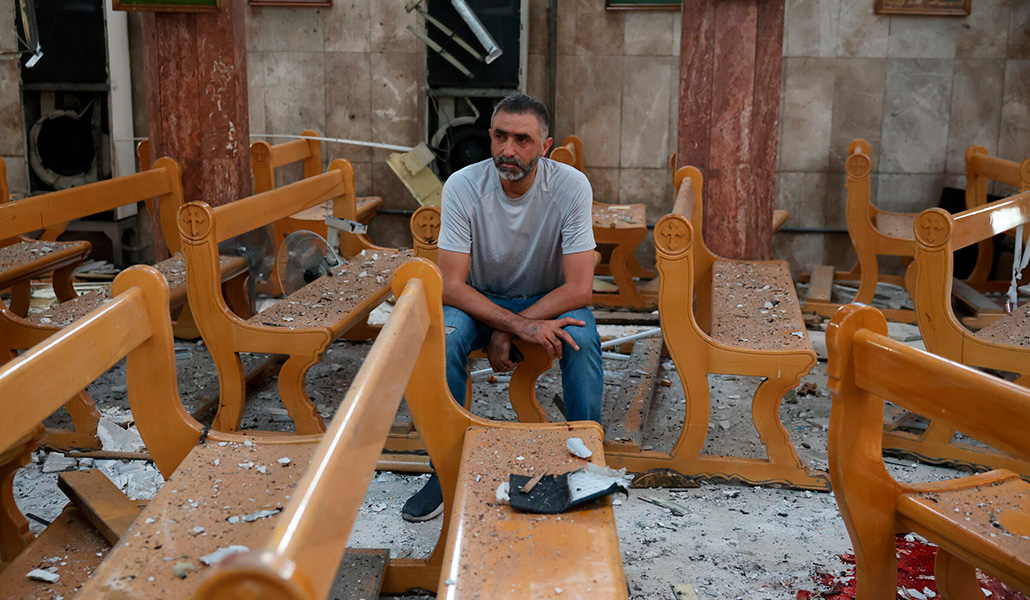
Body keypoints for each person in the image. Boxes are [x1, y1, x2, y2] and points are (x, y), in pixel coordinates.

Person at [402, 93, 604, 522]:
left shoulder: (570, 186)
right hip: (478, 299)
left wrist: (510, 328)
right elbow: (450, 286)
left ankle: (589, 468)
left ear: (545, 146)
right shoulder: (463, 185)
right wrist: (514, 325)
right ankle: (443, 469)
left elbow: (579, 288)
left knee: (582, 339)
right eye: (500, 136)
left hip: (547, 298)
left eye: (522, 140)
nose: (508, 150)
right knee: (443, 339)